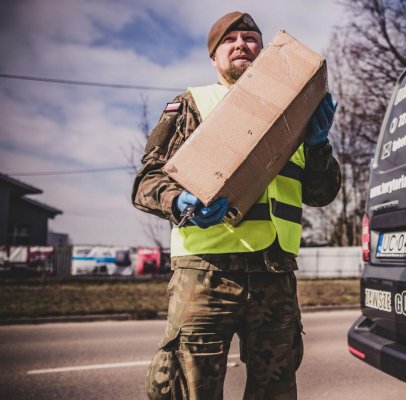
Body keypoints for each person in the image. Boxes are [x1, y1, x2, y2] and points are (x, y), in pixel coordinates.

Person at [131, 11, 341, 400]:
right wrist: (179, 201)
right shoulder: (192, 103)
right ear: (214, 57)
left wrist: (318, 146)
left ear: (264, 52)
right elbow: (146, 181)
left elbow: (321, 193)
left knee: (275, 390)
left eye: (251, 38)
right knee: (191, 388)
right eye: (230, 40)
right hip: (206, 275)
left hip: (274, 275)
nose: (242, 44)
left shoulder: (294, 114)